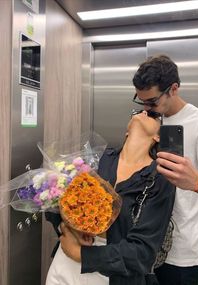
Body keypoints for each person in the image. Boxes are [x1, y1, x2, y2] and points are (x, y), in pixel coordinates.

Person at [132, 54, 198, 285]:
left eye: (152, 102)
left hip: (181, 253)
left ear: (173, 89)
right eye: (141, 102)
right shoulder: (146, 120)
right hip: (141, 244)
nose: (147, 108)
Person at [46, 110, 176, 285]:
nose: (143, 111)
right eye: (137, 112)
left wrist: (81, 255)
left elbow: (144, 252)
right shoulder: (96, 159)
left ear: (158, 137)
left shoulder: (160, 179)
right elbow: (55, 203)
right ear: (127, 131)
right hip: (66, 263)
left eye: (152, 115)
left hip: (113, 275)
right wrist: (66, 227)